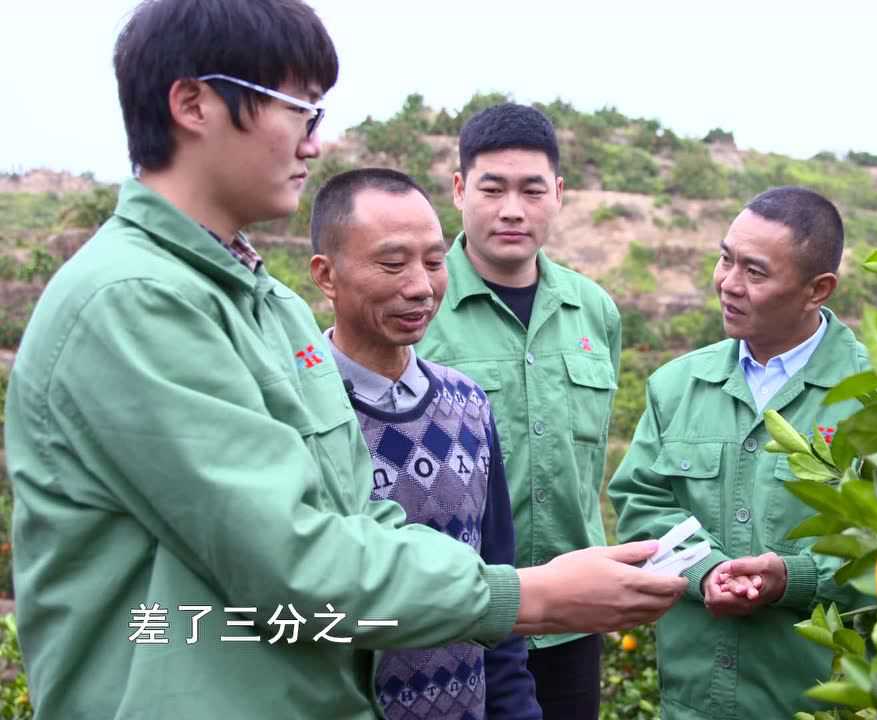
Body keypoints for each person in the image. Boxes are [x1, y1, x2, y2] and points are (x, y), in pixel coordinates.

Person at [4, 2, 683, 718]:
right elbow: (293, 558)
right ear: (193, 102)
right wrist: (528, 596)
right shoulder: (132, 303)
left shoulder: (270, 308)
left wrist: (528, 588)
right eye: (301, 110)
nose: (314, 143)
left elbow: (356, 518)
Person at [608, 186, 875, 719]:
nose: (728, 284)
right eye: (725, 259)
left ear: (817, 289)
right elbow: (642, 508)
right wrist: (704, 569)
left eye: (755, 272)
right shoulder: (677, 386)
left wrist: (793, 578)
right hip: (693, 704)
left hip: (821, 704)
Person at [308, 168, 539, 719]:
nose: (420, 285)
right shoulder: (300, 413)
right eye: (392, 263)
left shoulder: (468, 404)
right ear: (326, 275)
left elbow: (498, 581)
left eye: (435, 262)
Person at [417, 103, 620, 717]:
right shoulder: (415, 302)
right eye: (492, 188)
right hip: (451, 615)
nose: (513, 209)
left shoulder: (594, 311)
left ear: (558, 193)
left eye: (533, 190)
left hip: (569, 624)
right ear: (458, 190)